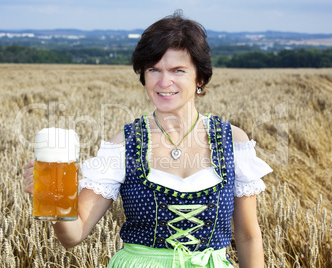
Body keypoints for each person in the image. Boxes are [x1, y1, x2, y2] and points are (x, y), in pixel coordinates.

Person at [23, 10, 272, 268]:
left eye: (178, 70)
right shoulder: (123, 144)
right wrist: (53, 200)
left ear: (199, 77)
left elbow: (248, 236)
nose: (164, 82)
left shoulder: (233, 141)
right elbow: (74, 235)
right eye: (154, 69)